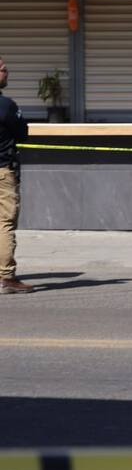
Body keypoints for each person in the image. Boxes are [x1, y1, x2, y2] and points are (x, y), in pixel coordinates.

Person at [0, 56, 33, 294]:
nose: (6, 73)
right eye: (2, 70)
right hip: (2, 171)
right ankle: (6, 276)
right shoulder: (6, 106)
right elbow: (22, 134)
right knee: (4, 223)